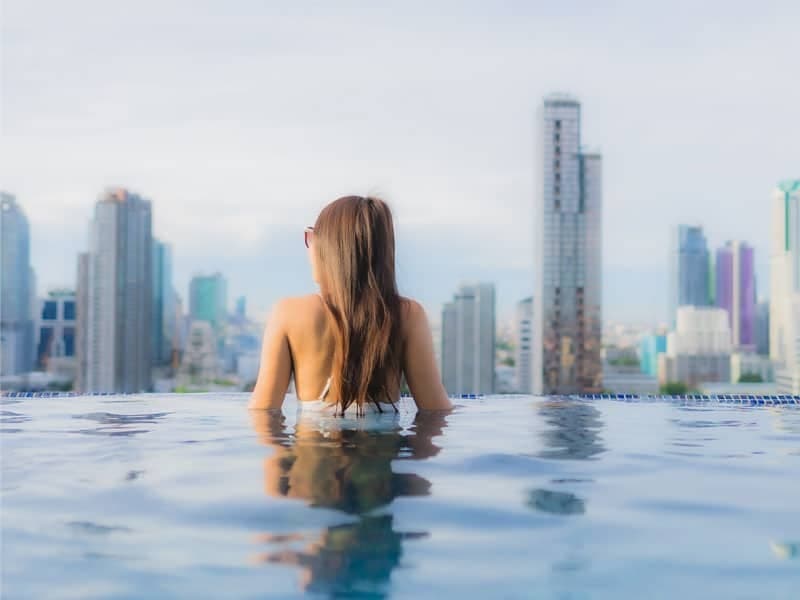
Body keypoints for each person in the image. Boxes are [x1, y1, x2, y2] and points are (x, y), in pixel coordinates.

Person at [248, 195, 452, 413]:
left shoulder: (289, 313)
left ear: (331, 248)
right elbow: (436, 412)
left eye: (312, 237)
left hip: (310, 446)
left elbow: (263, 413)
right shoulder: (408, 316)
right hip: (383, 447)